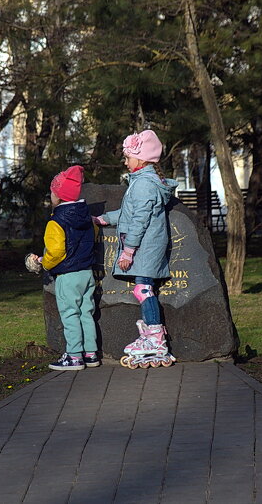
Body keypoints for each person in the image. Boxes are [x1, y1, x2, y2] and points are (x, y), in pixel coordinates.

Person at [94, 130, 178, 369]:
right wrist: (104, 219)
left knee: (143, 289)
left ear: (140, 160)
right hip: (146, 245)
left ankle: (155, 338)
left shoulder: (143, 185)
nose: (125, 161)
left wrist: (128, 251)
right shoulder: (142, 182)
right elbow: (128, 214)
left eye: (128, 156)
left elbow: (139, 220)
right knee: (144, 288)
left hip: (145, 246)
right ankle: (151, 334)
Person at [26, 165, 99, 371]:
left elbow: (56, 251)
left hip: (67, 275)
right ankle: (91, 353)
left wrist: (44, 263)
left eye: (52, 192)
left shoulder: (56, 221)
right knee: (86, 312)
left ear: (59, 196)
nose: (51, 196)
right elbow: (92, 237)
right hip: (87, 272)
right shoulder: (86, 217)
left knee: (70, 314)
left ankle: (74, 356)